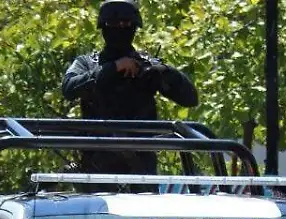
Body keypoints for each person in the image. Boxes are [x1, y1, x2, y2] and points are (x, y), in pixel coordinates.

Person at [61, 0, 198, 174]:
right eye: (112, 23)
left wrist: (165, 72)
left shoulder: (146, 65)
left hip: (141, 169)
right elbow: (69, 88)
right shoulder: (87, 63)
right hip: (98, 169)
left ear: (134, 26)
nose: (119, 28)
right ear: (103, 27)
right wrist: (113, 69)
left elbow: (190, 99)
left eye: (125, 23)